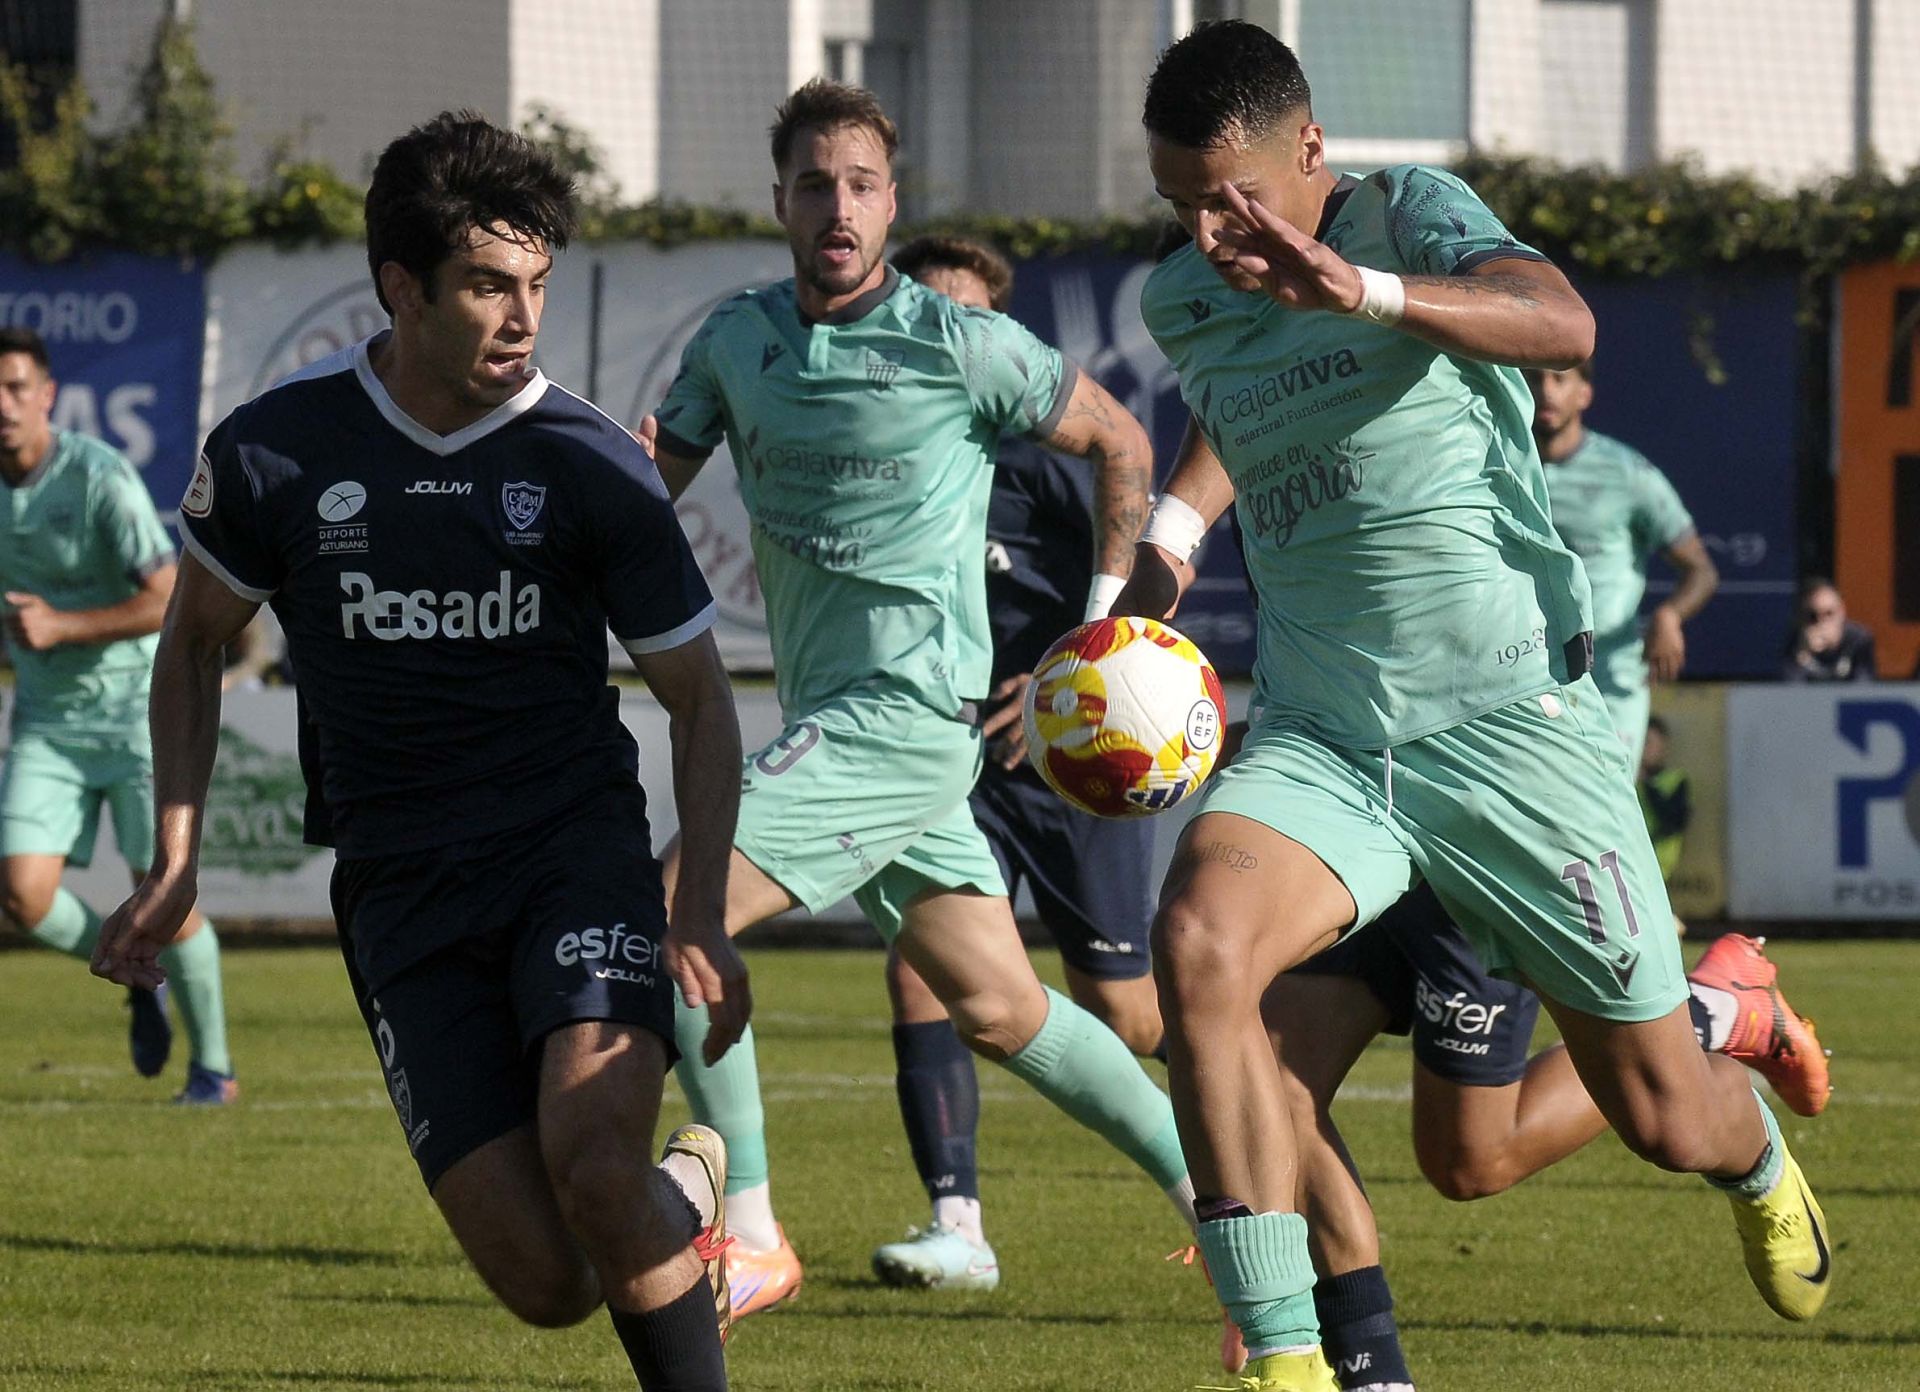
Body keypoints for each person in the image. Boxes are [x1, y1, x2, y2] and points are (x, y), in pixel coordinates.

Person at [1118, 24, 1831, 1391]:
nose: (1209, 232)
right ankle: (1289, 1361)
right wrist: (1158, 561)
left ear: (1312, 154)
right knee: (1200, 946)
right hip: (1330, 736)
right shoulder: (1186, 298)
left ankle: (1742, 1123)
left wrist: (1361, 291)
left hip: (1509, 729)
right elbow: (1240, 414)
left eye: (1233, 197)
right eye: (1180, 204)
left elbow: (1561, 320)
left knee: (1648, 1123)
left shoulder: (1407, 216)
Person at [90, 112, 743, 1392]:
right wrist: (174, 862)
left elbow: (704, 703)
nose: (524, 316)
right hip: (400, 893)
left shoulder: (593, 465)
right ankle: (687, 1186)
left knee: (592, 1160)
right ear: (402, 288)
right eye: (490, 286)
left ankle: (649, 1189)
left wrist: (703, 901)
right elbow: (192, 644)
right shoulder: (278, 453)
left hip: (573, 854)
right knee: (550, 1286)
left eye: (539, 284)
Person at [643, 79, 1195, 1317]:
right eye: (812, 183)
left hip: (898, 724)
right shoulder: (735, 339)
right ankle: (1216, 1198)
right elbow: (649, 487)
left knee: (670, 911)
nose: (836, 205)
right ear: (778, 199)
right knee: (1004, 1010)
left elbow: (1122, 442)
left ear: (891, 201)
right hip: (840, 724)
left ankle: (752, 1235)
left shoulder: (963, 346)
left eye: (860, 184)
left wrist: (1103, 624)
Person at [865, 234, 1167, 1290]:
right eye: (927, 310)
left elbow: (1137, 593)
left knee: (1128, 1012)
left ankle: (1254, 1122)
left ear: (1002, 335)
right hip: (946, 768)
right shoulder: (885, 459)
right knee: (922, 970)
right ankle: (959, 1229)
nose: (949, 334)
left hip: (1066, 769)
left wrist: (1050, 688)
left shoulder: (1054, 463)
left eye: (969, 314)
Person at [0, 326, 235, 1103]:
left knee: (163, 891)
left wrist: (61, 627)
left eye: (16, 388)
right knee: (21, 895)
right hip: (47, 721)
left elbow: (168, 594)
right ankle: (138, 980)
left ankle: (214, 1072)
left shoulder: (98, 476)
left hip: (137, 715)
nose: (3, 406)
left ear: (47, 396)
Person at [1529, 359, 1719, 764]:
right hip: (1522, 674)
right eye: (1534, 378)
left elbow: (1701, 570)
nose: (1545, 390)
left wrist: (1670, 616)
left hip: (1609, 679)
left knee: (1606, 812)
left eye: (1559, 379)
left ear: (1585, 394)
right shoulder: (1501, 467)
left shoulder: (1627, 473)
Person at [1782, 577, 1876, 681]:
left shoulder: (1859, 639)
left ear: (1842, 612)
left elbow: (1864, 686)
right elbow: (1790, 687)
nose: (1822, 622)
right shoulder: (1796, 639)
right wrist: (1804, 654)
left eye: (1829, 613)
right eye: (1813, 616)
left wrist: (1834, 647)